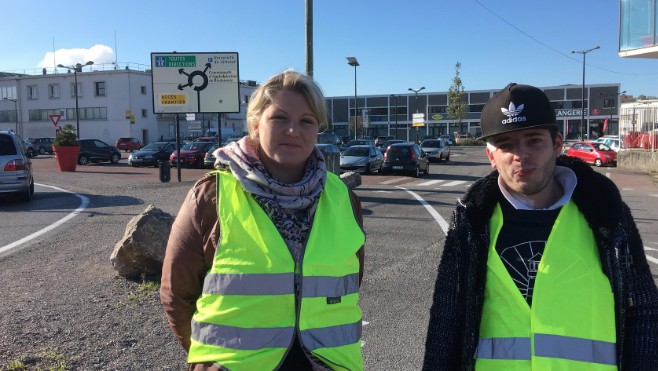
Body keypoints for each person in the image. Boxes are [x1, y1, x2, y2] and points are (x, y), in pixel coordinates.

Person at [423, 83, 658, 370]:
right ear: (491, 156)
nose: (520, 155)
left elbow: (644, 310)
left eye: (534, 140)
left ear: (557, 144)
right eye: (506, 144)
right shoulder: (472, 221)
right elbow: (446, 321)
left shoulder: (605, 214)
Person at [160, 70, 366, 370]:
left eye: (306, 121)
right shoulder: (212, 196)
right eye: (280, 118)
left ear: (317, 130)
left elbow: (351, 282)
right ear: (256, 125)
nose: (294, 131)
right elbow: (176, 294)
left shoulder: (344, 198)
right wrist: (209, 361)